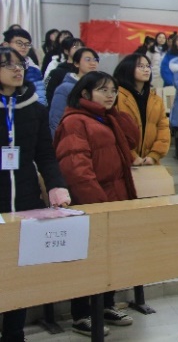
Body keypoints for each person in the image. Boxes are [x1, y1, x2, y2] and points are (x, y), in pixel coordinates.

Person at [54, 71, 139, 338]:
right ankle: (81, 315)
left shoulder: (106, 118)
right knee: (87, 259)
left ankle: (106, 305)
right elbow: (76, 169)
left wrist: (116, 114)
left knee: (110, 257)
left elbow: (133, 140)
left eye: (113, 90)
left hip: (116, 197)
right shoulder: (75, 122)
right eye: (103, 90)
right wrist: (99, 205)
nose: (110, 95)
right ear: (85, 93)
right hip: (93, 202)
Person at [0, 47, 71, 342]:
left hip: (26, 198)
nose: (17, 69)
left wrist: (56, 186)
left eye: (20, 64)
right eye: (8, 64)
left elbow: (45, 155)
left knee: (20, 270)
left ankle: (14, 333)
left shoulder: (35, 108)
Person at [114, 54, 170, 166]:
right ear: (128, 68)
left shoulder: (155, 99)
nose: (146, 70)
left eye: (148, 66)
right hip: (122, 161)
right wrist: (131, 155)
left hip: (149, 161)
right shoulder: (116, 97)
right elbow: (115, 130)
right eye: (141, 66)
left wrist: (154, 155)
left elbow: (163, 128)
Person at [49, 47, 101, 136]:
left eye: (96, 60)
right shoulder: (65, 88)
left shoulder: (98, 87)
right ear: (76, 63)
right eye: (87, 59)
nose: (93, 63)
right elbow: (56, 119)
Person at [2, 27, 46, 105]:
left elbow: (40, 96)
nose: (23, 47)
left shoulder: (33, 70)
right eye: (19, 43)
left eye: (27, 44)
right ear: (6, 44)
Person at [44, 37, 84, 104]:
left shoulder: (85, 70)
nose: (80, 49)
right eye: (75, 47)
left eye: (82, 47)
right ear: (66, 51)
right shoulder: (57, 72)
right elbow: (48, 94)